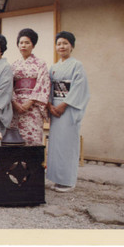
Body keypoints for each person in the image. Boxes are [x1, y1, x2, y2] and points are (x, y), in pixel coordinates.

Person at [47, 31, 89, 193]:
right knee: (56, 144)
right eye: (59, 44)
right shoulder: (54, 67)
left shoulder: (77, 65)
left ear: (72, 46)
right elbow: (49, 88)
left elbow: (79, 89)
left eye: (65, 43)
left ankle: (68, 181)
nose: (62, 46)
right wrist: (50, 105)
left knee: (68, 144)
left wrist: (63, 105)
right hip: (55, 108)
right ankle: (57, 179)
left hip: (69, 108)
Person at [10, 28, 51, 145]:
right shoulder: (14, 65)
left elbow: (43, 84)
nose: (23, 45)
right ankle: (16, 164)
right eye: (21, 43)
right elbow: (9, 85)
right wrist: (15, 102)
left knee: (32, 139)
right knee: (16, 140)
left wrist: (30, 101)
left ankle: (33, 163)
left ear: (33, 45)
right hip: (17, 106)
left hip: (33, 106)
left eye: (27, 43)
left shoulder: (40, 64)